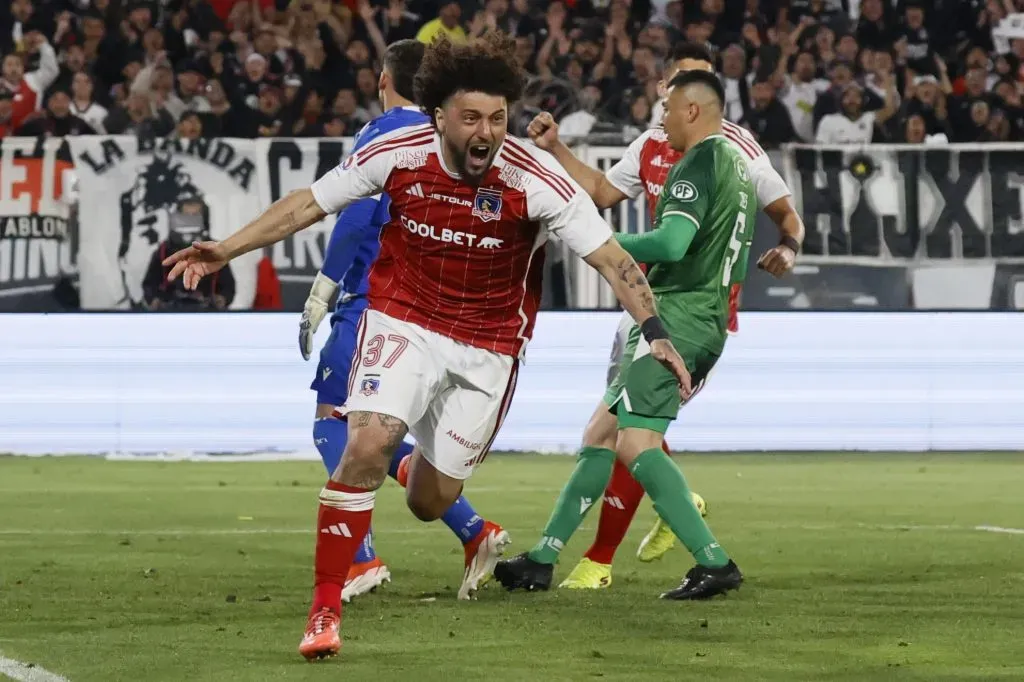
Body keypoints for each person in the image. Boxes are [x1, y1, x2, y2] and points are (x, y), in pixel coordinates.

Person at [162, 33, 690, 660]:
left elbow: (610, 258)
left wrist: (655, 332)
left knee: (428, 499)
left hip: (489, 348)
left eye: (497, 118)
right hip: (401, 319)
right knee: (366, 442)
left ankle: (456, 522)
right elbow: (309, 204)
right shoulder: (397, 151)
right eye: (471, 118)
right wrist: (226, 248)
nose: (486, 132)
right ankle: (324, 609)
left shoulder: (535, 178)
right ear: (439, 116)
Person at [509, 42, 804, 591]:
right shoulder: (729, 164)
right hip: (695, 311)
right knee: (602, 432)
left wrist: (600, 242)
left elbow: (670, 242)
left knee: (636, 444)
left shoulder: (706, 158)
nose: (659, 114)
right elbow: (606, 192)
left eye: (668, 105)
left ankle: (714, 562)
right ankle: (542, 559)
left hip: (677, 316)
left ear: (693, 107)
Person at [297, 39, 510, 605]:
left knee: (332, 421)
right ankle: (475, 532)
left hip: (373, 301)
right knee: (379, 431)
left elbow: (357, 212)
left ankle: (361, 560)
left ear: (383, 77)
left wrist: (325, 287)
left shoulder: (389, 132)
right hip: (438, 311)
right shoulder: (452, 141)